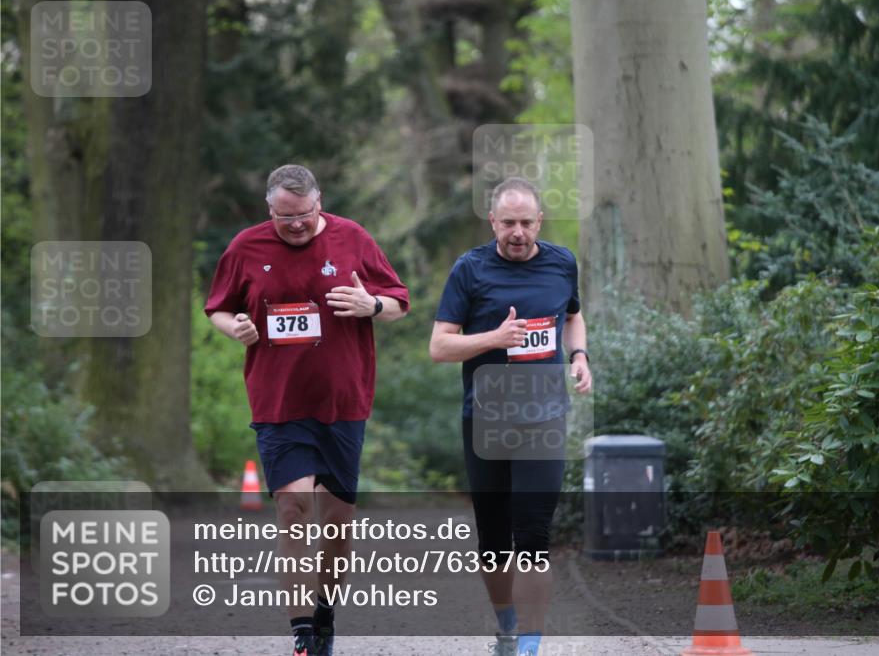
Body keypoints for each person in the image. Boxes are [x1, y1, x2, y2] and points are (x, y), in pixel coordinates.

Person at [204, 164, 409, 656]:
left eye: (304, 214)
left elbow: (401, 301)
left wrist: (372, 306)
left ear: (319, 202)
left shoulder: (353, 238)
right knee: (293, 509)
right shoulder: (246, 248)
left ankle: (325, 614)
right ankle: (302, 634)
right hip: (279, 402)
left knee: (337, 522)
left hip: (342, 401)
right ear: (269, 209)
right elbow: (217, 308)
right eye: (284, 216)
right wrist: (236, 329)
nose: (295, 224)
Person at [429, 177, 593, 656]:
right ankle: (505, 626)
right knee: (495, 538)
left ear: (539, 222)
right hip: (486, 420)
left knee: (534, 533)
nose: (517, 232)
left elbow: (573, 315)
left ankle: (530, 643)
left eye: (526, 222)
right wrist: (492, 340)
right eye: (508, 223)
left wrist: (579, 355)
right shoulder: (470, 269)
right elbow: (440, 345)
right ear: (493, 223)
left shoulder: (562, 262)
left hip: (544, 417)